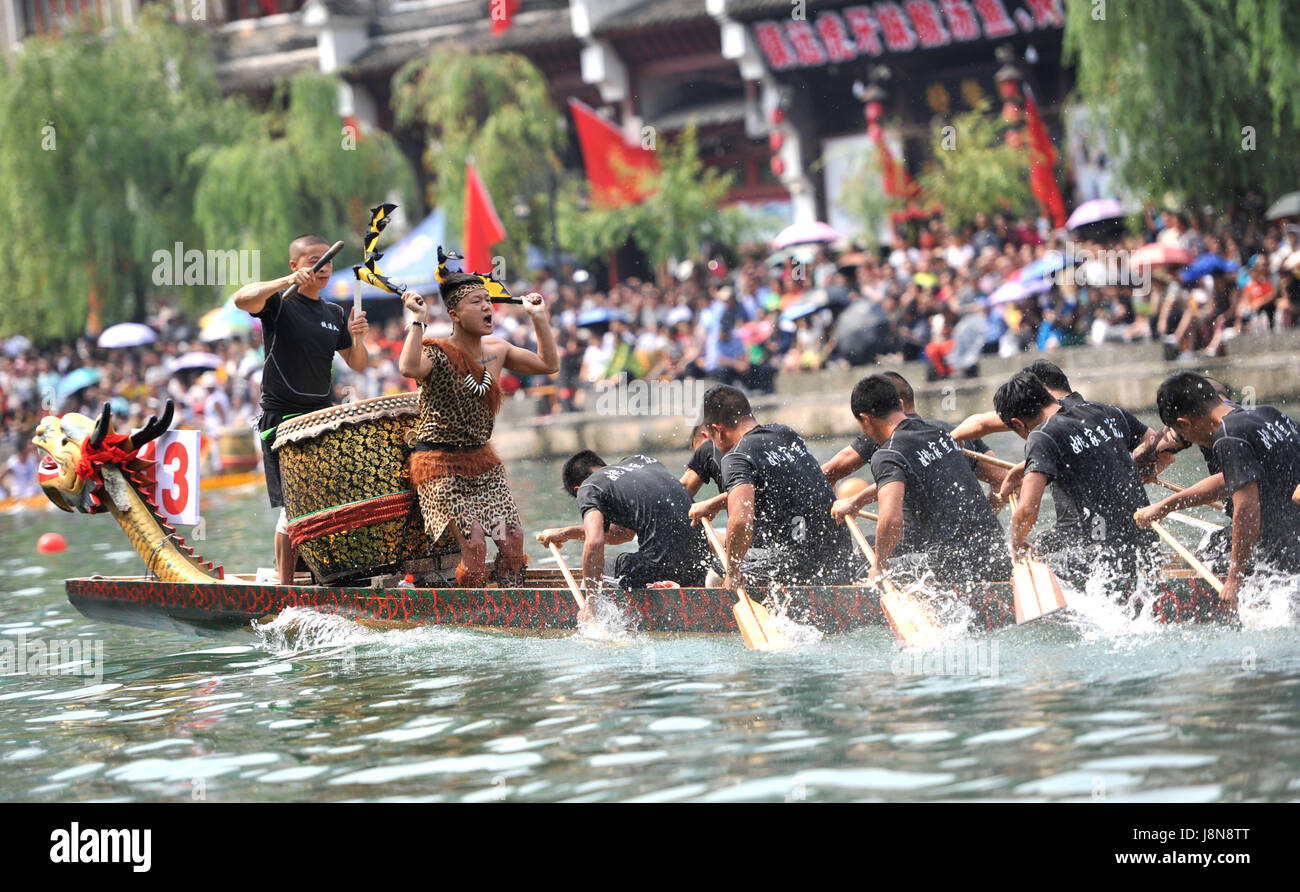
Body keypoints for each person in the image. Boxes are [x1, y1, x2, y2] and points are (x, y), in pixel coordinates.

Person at [398, 271, 557, 588]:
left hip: (483, 463)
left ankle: (514, 605)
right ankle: (477, 617)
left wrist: (539, 318)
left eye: (488, 301)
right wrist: (417, 320)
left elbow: (548, 365)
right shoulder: (436, 353)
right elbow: (408, 368)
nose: (487, 307)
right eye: (476, 302)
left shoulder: (499, 349)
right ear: (454, 314)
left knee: (512, 541)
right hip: (439, 465)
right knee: (475, 545)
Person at [233, 233, 370, 584]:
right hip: (282, 419)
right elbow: (240, 298)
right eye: (313, 261)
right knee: (293, 506)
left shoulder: (334, 312)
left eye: (327, 260)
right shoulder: (279, 302)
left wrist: (358, 337)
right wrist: (287, 281)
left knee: (330, 497)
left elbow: (359, 364)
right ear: (296, 265)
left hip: (321, 419)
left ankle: (323, 571)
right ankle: (286, 588)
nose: (322, 267)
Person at [833, 375, 1011, 585]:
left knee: (860, 567)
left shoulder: (888, 453)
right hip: (997, 556)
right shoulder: (944, 432)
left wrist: (879, 565)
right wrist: (857, 501)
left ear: (866, 419)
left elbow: (891, 520)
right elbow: (1002, 481)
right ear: (899, 404)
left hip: (950, 566)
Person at [994, 372, 1158, 588]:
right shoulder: (1105, 411)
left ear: (1018, 423)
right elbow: (1155, 443)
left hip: (1097, 554)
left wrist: (1015, 548)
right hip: (1146, 543)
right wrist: (1132, 470)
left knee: (1034, 550)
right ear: (1047, 394)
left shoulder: (1041, 436)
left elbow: (1026, 511)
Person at [1152, 371, 1300, 608]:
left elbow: (1247, 509)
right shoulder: (1267, 414)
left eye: (1184, 434)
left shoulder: (1228, 436)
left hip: (1279, 560)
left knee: (1202, 562)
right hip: (1291, 544)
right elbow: (1229, 480)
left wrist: (1233, 580)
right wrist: (1166, 505)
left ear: (1184, 423)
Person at [693, 385, 856, 591]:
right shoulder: (785, 433)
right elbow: (782, 486)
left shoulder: (736, 457)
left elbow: (741, 521)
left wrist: (732, 573)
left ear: (718, 430)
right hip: (841, 557)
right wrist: (715, 503)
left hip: (801, 569)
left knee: (718, 566)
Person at [538, 451, 711, 609]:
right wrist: (566, 533)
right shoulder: (642, 462)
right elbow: (623, 534)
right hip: (702, 564)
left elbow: (595, 541)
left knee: (593, 572)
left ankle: (591, 616)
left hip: (661, 568)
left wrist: (591, 603)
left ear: (578, 488)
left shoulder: (588, 487)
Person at [822, 371, 1006, 514]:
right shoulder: (949, 430)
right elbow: (1002, 480)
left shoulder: (882, 436)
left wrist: (850, 505)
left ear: (899, 404)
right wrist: (980, 523)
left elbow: (827, 474)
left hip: (916, 546)